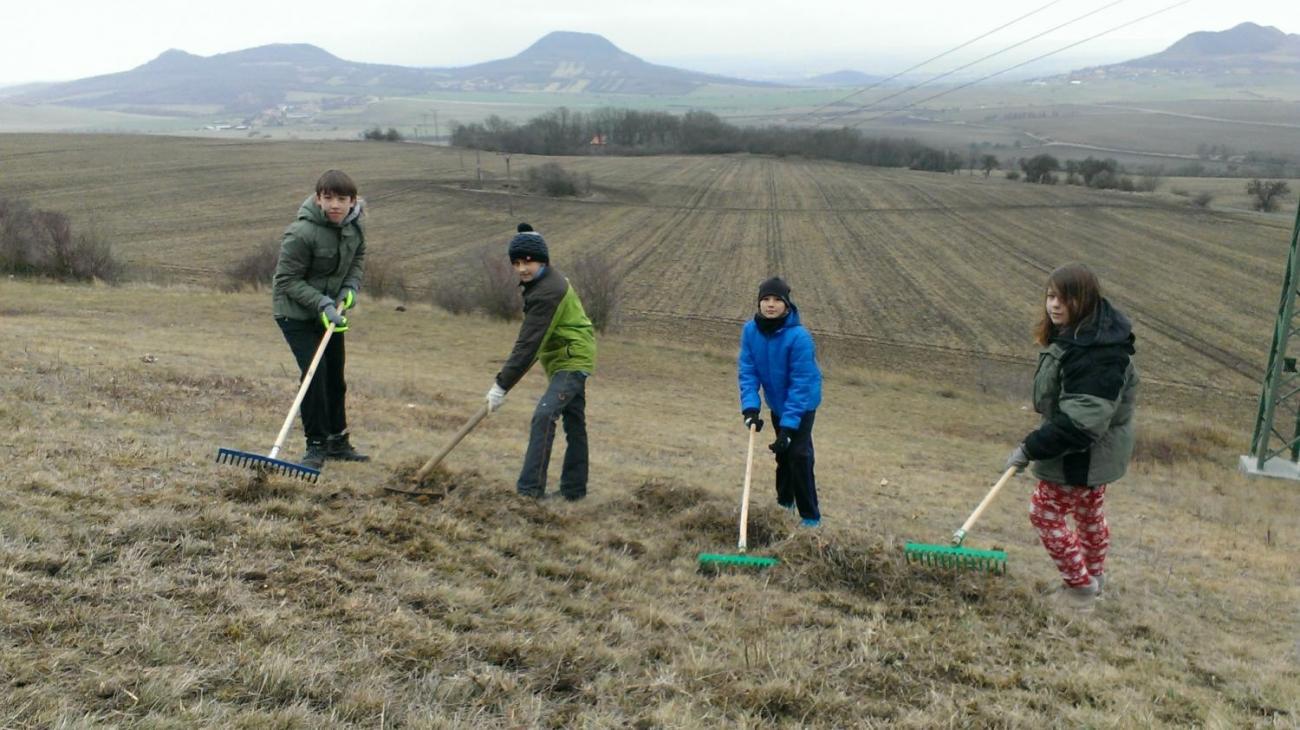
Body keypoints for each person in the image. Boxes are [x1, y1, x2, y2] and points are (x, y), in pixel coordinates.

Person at [1004, 263, 1138, 611]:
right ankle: (1094, 581)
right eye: (1050, 296)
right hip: (1095, 452)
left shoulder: (1097, 355)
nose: (1055, 305)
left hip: (1082, 451)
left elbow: (1082, 424)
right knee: (1088, 514)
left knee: (1044, 512)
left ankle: (1079, 590)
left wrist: (1029, 448)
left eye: (1066, 298)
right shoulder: (1087, 337)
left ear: (1086, 301)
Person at [485, 223, 597, 501]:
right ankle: (574, 491)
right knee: (574, 421)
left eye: (529, 261)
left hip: (572, 359)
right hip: (564, 356)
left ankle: (529, 491)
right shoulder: (541, 281)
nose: (523, 268)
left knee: (544, 415)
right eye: (517, 263)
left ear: (543, 261)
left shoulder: (548, 291)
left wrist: (501, 385)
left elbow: (528, 344)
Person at [271, 169, 369, 471]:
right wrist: (323, 303)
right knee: (315, 375)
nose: (335, 205)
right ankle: (315, 445)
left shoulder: (355, 229)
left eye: (342, 199)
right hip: (295, 313)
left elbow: (357, 259)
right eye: (328, 198)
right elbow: (286, 280)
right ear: (318, 199)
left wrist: (350, 288)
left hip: (330, 313)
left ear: (353, 202)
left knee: (335, 378)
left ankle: (337, 442)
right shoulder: (300, 233)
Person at [737, 277, 823, 527]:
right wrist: (751, 408)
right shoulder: (750, 332)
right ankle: (785, 503)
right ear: (759, 303)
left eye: (777, 300)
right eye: (766, 300)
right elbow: (748, 370)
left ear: (787, 305)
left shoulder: (799, 338)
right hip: (776, 402)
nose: (771, 305)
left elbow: (801, 384)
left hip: (802, 403)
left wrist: (788, 429)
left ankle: (810, 517)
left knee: (798, 454)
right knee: (783, 456)